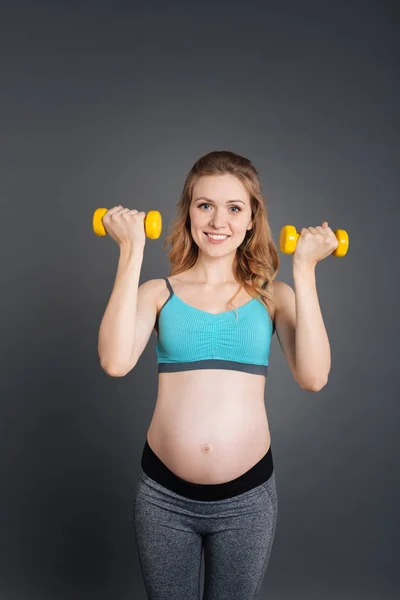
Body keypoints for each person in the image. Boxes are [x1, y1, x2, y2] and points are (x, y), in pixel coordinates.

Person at [98, 150, 337, 599]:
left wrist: (305, 269)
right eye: (204, 205)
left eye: (234, 208)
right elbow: (114, 361)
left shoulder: (272, 296)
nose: (217, 221)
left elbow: (315, 376)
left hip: (247, 501)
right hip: (163, 499)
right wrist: (130, 250)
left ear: (251, 219)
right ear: (188, 212)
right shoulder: (158, 293)